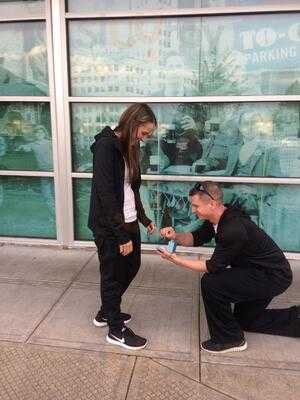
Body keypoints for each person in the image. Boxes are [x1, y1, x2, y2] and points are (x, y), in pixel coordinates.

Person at [158, 181, 299, 354]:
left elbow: (211, 266)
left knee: (211, 283)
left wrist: (176, 260)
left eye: (196, 206)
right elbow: (195, 238)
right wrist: (176, 236)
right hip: (259, 272)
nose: (193, 210)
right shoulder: (218, 217)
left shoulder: (232, 228)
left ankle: (230, 339)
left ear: (212, 203)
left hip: (271, 276)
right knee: (244, 321)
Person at [88, 103, 156, 350]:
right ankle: (115, 329)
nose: (145, 138)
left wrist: (144, 218)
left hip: (128, 220)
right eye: (144, 133)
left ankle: (107, 311)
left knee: (132, 265)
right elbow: (106, 194)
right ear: (132, 122)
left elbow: (131, 188)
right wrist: (120, 235)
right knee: (112, 274)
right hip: (109, 225)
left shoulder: (131, 148)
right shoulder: (106, 147)